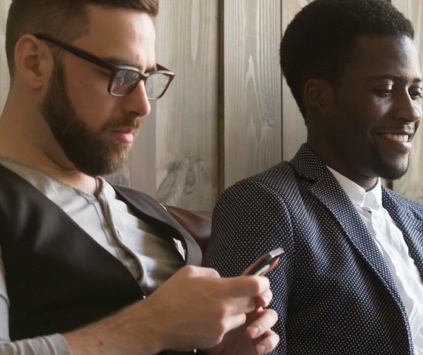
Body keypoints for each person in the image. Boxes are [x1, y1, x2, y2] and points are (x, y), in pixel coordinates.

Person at [0, 0, 278, 354]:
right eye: (120, 74)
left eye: (147, 78)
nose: (142, 105)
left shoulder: (145, 211)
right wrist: (154, 324)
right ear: (34, 63)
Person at [202, 0, 423, 353]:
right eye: (384, 90)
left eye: (415, 92)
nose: (410, 112)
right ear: (318, 96)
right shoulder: (265, 206)